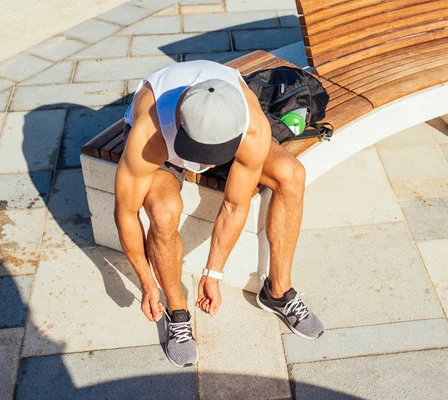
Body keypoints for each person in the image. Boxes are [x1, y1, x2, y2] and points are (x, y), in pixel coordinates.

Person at [114, 60, 324, 368]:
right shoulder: (150, 131)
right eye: (201, 157)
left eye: (213, 160)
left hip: (221, 133)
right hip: (166, 143)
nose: (206, 166)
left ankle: (277, 292)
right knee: (163, 212)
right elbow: (126, 214)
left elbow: (235, 205)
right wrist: (147, 283)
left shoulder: (252, 126)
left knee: (291, 175)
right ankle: (177, 310)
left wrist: (213, 273)